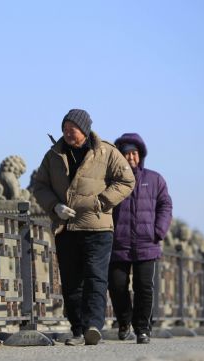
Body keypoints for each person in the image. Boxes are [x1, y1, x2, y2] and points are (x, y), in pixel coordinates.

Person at [32, 109, 135, 345]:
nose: (68, 132)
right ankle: (77, 330)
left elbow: (127, 181)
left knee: (96, 278)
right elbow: (40, 186)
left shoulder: (107, 152)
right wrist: (54, 206)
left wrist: (102, 201)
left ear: (85, 130)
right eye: (65, 128)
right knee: (70, 280)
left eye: (73, 128)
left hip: (97, 227)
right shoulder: (53, 155)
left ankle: (92, 326)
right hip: (66, 228)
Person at [108, 133, 173, 344]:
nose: (130, 157)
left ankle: (143, 328)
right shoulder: (111, 180)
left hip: (147, 243)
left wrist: (159, 231)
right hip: (118, 243)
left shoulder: (154, 179)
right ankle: (124, 321)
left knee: (144, 287)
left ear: (140, 155)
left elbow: (165, 205)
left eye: (134, 153)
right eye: (126, 154)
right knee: (117, 286)